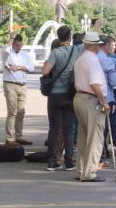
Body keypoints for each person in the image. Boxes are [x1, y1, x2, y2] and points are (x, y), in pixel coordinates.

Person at [41, 25, 83, 171]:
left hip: (55, 95)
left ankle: (52, 162)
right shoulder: (76, 51)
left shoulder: (56, 52)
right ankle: (69, 161)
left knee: (54, 129)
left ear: (58, 37)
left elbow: (45, 71)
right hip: (70, 95)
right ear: (70, 37)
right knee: (69, 129)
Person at [73, 32, 109, 182]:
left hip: (80, 97)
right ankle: (89, 172)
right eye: (99, 44)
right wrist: (103, 101)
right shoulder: (92, 60)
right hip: (91, 99)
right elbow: (95, 84)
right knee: (95, 138)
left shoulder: (81, 59)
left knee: (84, 136)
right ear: (94, 46)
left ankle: (81, 170)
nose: (100, 47)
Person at [2, 34, 33, 145]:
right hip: (10, 84)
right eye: (16, 45)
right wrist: (10, 38)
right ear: (13, 44)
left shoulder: (25, 54)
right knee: (12, 112)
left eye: (20, 45)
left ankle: (19, 136)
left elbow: (31, 67)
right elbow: (6, 50)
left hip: (22, 85)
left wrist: (19, 67)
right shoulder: (7, 53)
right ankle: (10, 138)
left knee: (21, 112)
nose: (18, 47)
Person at [97, 35, 116, 149]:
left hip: (90, 96)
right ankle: (102, 152)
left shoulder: (89, 57)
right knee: (105, 126)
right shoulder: (107, 60)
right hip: (106, 96)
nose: (113, 47)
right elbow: (114, 81)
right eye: (111, 45)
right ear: (105, 45)